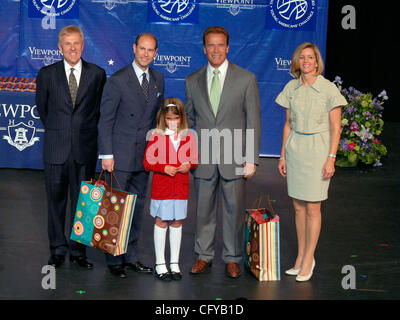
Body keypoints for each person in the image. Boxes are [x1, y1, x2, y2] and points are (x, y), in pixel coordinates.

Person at [185, 26, 261, 278]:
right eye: (210, 45)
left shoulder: (246, 79)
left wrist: (251, 158)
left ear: (228, 48)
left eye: (220, 45)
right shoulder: (192, 80)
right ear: (204, 48)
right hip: (204, 157)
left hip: (234, 156)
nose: (215, 50)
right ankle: (203, 255)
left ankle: (232, 258)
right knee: (203, 210)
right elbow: (188, 120)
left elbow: (254, 121)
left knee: (234, 211)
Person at [36, 25, 106, 269]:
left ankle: (78, 252)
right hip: (56, 149)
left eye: (76, 43)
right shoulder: (46, 74)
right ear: (60, 47)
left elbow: (98, 111)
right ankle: (57, 249)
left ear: (83, 45)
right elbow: (42, 110)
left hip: (84, 150)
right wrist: (61, 131)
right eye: (68, 44)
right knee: (55, 202)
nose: (73, 48)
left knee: (83, 205)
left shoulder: (97, 74)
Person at [276, 42, 347, 282]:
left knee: (313, 207)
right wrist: (283, 155)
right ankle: (300, 257)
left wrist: (331, 158)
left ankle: (309, 259)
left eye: (310, 58)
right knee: (297, 207)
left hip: (318, 151)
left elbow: (336, 127)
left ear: (317, 62)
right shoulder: (291, 88)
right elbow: (288, 124)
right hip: (296, 148)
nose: (306, 61)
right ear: (297, 62)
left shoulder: (328, 89)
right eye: (302, 58)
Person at [98, 33, 165, 278]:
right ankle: (114, 259)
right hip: (119, 156)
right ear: (134, 48)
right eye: (142, 49)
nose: (146, 54)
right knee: (115, 208)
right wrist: (107, 154)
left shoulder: (158, 78)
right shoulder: (117, 80)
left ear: (156, 53)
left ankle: (132, 256)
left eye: (151, 50)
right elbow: (105, 119)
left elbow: (156, 118)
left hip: (143, 157)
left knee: (136, 208)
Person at [143, 98, 198, 281]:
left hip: (181, 189)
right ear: (163, 119)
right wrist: (163, 167)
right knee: (161, 221)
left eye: (176, 118)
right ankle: (160, 263)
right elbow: (147, 162)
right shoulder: (156, 136)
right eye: (169, 119)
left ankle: (174, 263)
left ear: (181, 118)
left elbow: (195, 160)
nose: (172, 122)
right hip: (162, 188)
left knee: (176, 222)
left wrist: (188, 164)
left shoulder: (189, 136)